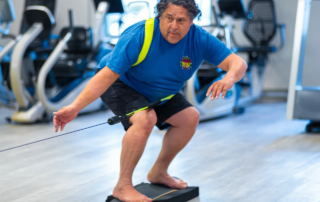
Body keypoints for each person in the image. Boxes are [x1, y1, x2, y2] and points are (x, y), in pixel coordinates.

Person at [53, 0, 248, 201]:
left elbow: (238, 63)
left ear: (191, 22)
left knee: (189, 117)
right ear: (160, 17)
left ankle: (159, 172)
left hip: (159, 92)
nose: (174, 26)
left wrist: (228, 79)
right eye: (169, 18)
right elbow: (106, 76)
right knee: (145, 119)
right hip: (122, 83)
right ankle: (122, 186)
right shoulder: (139, 35)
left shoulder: (200, 39)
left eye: (181, 20)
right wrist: (75, 107)